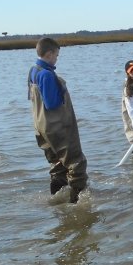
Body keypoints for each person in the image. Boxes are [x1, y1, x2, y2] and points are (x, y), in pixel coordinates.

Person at [27, 37, 88, 203]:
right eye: (56, 56)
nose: (56, 59)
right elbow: (52, 103)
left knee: (57, 164)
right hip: (58, 127)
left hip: (41, 127)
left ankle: (56, 200)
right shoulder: (47, 75)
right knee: (77, 164)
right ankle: (77, 203)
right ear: (49, 54)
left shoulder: (33, 70)